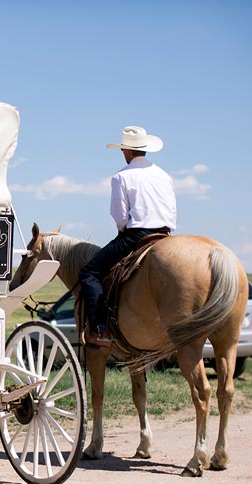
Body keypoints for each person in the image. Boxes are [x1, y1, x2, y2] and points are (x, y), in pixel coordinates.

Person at [80, 126, 177, 345]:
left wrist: (123, 230)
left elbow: (120, 216)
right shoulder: (164, 175)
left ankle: (100, 329)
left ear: (127, 151)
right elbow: (172, 211)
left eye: (123, 150)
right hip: (165, 235)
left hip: (137, 235)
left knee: (89, 272)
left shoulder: (121, 176)